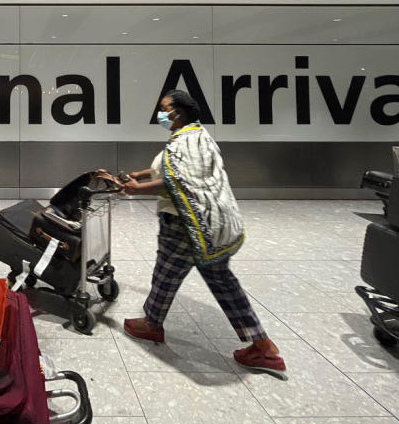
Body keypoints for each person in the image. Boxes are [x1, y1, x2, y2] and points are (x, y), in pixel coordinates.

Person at [118, 89, 287, 377]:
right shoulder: (197, 136)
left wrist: (136, 190)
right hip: (209, 227)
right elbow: (170, 169)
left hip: (185, 225)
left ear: (178, 112)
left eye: (163, 108)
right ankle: (263, 346)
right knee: (222, 282)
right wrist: (141, 174)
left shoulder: (186, 141)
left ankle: (152, 323)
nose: (159, 114)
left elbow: (177, 183)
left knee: (166, 274)